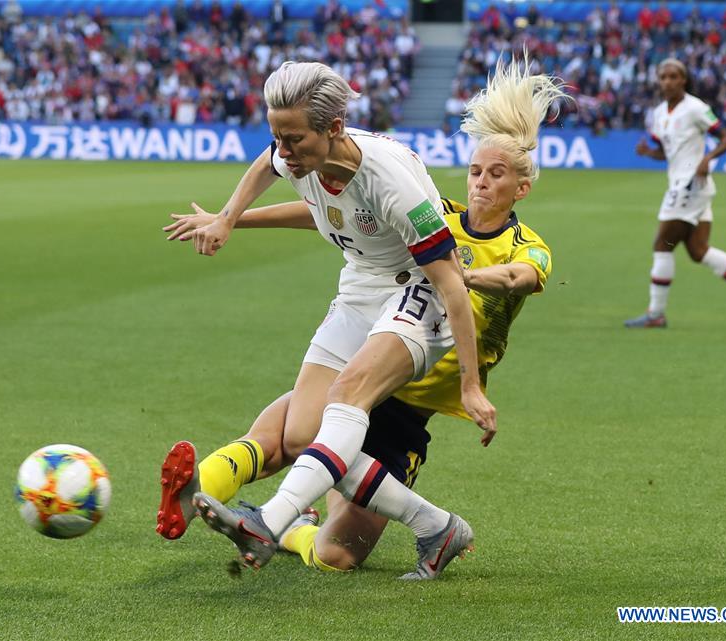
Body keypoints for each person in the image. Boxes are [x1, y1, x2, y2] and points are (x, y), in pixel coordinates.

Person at [160, 57, 563, 576]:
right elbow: (295, 185)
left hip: (413, 350)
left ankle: (273, 520)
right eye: (476, 170)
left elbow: (489, 281)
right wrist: (228, 218)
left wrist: (470, 384)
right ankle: (420, 525)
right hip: (366, 306)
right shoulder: (328, 167)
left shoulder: (472, 224)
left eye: (496, 173)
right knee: (300, 434)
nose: (481, 182)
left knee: (337, 551)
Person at [626, 59, 726, 328]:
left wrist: (708, 158)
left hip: (689, 185)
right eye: (663, 76)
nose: (668, 81)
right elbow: (667, 152)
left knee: (662, 245)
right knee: (697, 250)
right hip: (687, 186)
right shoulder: (659, 113)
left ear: (684, 80)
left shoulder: (696, 108)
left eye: (673, 76)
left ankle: (656, 314)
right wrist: (648, 153)